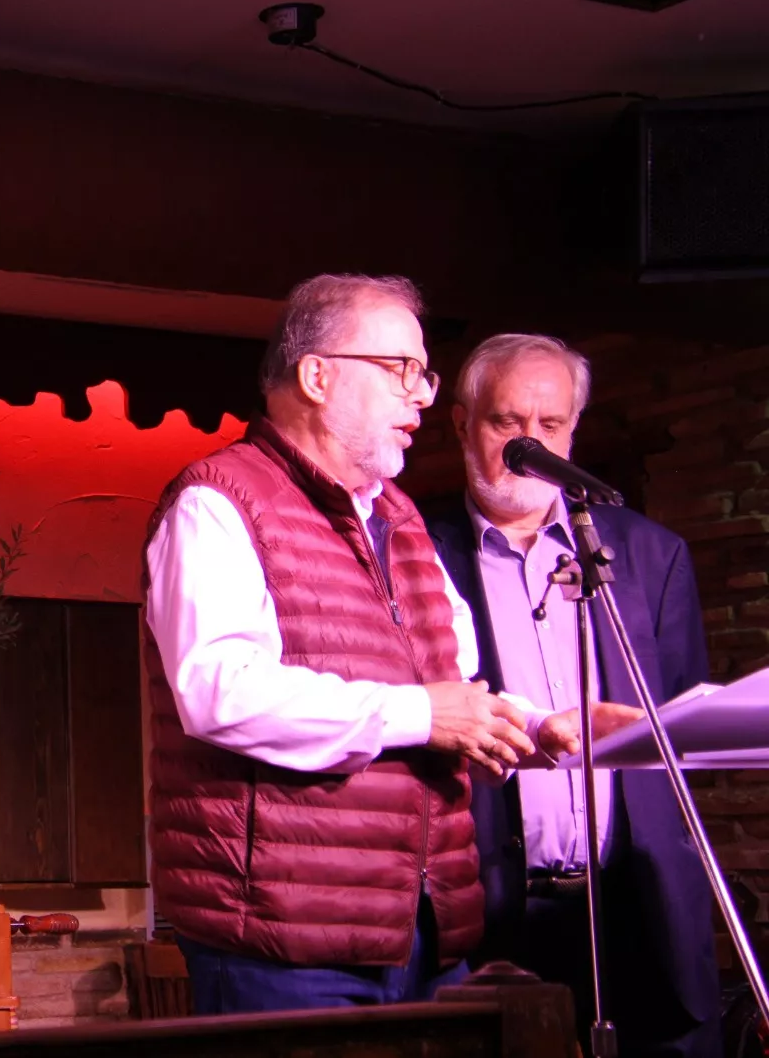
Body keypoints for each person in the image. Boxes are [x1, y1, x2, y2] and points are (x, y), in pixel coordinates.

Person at [143, 274, 584, 1015]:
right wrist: (422, 716)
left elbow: (453, 686)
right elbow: (218, 689)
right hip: (285, 938)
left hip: (423, 926)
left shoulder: (402, 519)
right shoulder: (216, 502)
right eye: (400, 371)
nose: (421, 396)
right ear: (317, 376)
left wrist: (530, 727)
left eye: (425, 374)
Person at [424, 333, 723, 1058]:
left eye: (549, 427)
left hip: (638, 908)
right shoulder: (418, 551)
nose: (530, 445)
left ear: (573, 430)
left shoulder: (648, 553)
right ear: (462, 423)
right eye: (507, 423)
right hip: (495, 911)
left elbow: (681, 728)